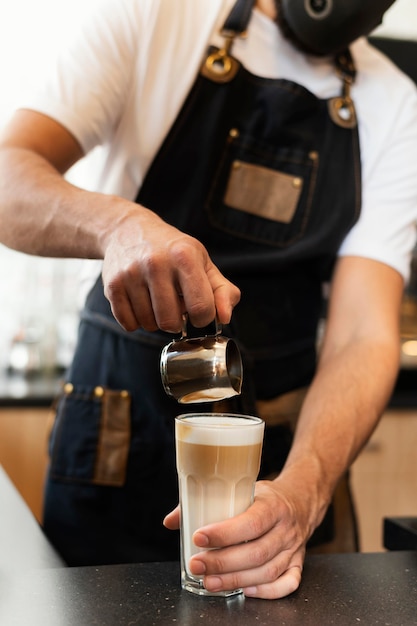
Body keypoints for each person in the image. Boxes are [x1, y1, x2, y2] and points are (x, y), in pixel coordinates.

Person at [0, 0, 416, 600]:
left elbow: (364, 334)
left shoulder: (394, 102)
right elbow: (12, 171)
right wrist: (117, 226)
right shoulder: (159, 16)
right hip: (121, 432)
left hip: (287, 448)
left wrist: (304, 493)